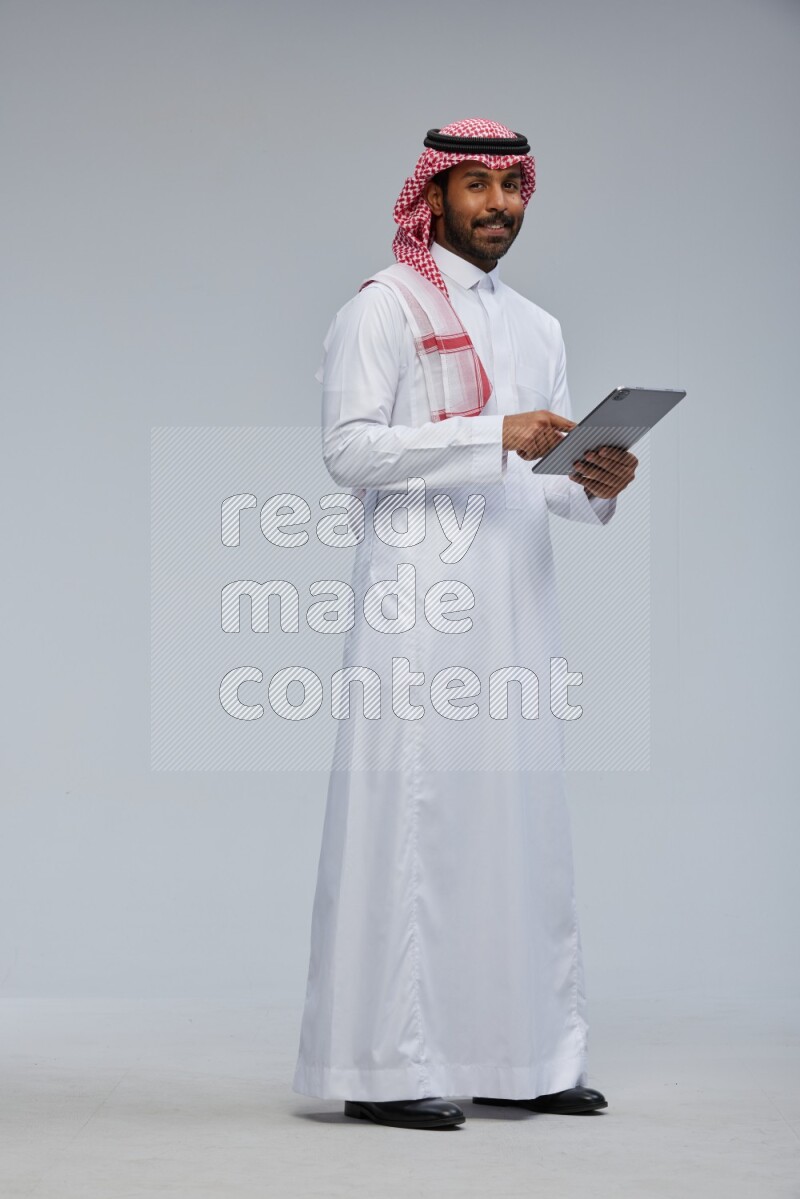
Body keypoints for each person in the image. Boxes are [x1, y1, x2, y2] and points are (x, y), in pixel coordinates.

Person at [292, 118, 638, 1131]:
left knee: (517, 826)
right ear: (433, 194)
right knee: (413, 823)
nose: (496, 204)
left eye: (511, 186)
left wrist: (597, 477)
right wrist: (494, 433)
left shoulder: (536, 325)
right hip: (418, 611)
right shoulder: (384, 305)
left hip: (515, 608)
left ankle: (524, 1056)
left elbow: (548, 478)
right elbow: (349, 451)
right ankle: (383, 1067)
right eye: (475, 184)